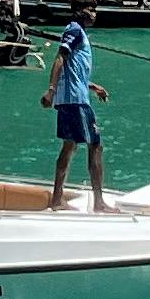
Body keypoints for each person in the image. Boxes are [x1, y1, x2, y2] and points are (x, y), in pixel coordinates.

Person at [41, 14, 105, 208]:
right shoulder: (75, 30)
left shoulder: (77, 31)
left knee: (69, 146)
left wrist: (93, 87)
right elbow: (60, 57)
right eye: (89, 8)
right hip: (75, 100)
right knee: (95, 146)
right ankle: (99, 203)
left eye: (95, 8)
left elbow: (73, 72)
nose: (93, 13)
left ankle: (57, 199)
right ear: (78, 11)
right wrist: (51, 90)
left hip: (72, 97)